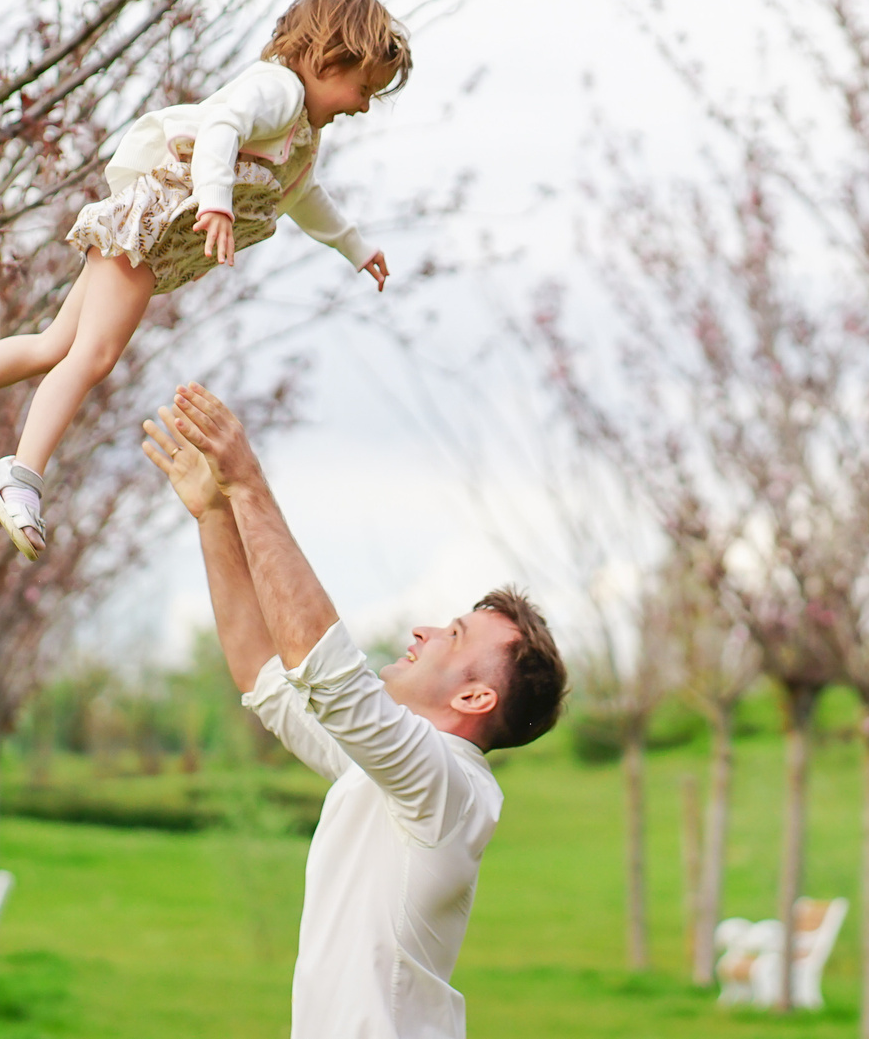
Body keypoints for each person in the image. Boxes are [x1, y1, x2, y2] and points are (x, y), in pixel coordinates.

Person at [0, 0, 407, 558]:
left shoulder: (302, 131)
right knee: (93, 357)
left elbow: (303, 196)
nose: (363, 104)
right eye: (364, 87)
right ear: (327, 57)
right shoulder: (278, 90)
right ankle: (20, 472)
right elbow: (221, 127)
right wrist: (216, 199)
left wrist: (354, 247)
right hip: (148, 226)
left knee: (55, 345)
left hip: (154, 234)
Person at [141, 384, 567, 1039]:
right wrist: (213, 516)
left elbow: (329, 672)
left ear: (475, 699)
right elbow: (264, 671)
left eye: (452, 634)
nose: (424, 631)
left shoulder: (449, 788)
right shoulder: (387, 775)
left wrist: (250, 486)